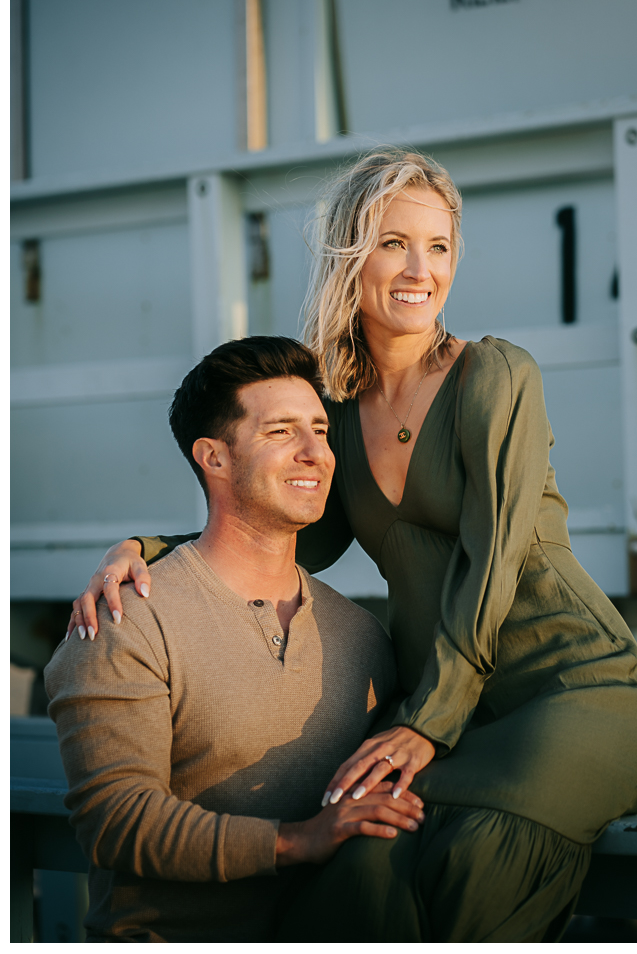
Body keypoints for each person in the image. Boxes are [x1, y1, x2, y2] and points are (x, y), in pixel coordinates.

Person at [69, 148, 637, 942]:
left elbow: (494, 563)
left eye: (440, 246)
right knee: (361, 866)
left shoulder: (496, 376)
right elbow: (287, 537)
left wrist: (424, 724)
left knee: (474, 866)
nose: (422, 269)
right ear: (352, 253)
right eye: (394, 243)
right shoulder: (337, 408)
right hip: (449, 711)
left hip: (569, 688)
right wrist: (144, 548)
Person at [45, 337, 424, 943]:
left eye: (321, 431)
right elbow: (115, 821)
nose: (315, 454)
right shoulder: (127, 618)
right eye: (280, 432)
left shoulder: (362, 636)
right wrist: (296, 841)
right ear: (213, 458)